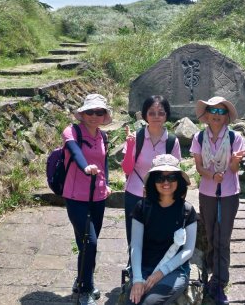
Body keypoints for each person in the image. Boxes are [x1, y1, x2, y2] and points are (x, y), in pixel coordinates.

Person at [189, 96, 245, 305]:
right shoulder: (199, 138)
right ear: (205, 115)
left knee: (222, 239)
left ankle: (220, 282)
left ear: (227, 117)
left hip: (229, 193)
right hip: (207, 192)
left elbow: (234, 170)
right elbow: (198, 167)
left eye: (221, 112)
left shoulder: (234, 138)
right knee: (210, 235)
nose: (216, 115)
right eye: (213, 110)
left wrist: (234, 162)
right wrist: (211, 176)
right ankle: (210, 273)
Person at [62, 93, 112, 305]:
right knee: (89, 243)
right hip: (75, 196)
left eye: (99, 112)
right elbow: (74, 152)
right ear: (82, 114)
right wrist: (85, 167)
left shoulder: (103, 137)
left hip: (98, 196)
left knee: (87, 244)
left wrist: (107, 183)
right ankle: (85, 289)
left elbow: (104, 162)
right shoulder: (71, 131)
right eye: (89, 111)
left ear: (104, 116)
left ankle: (82, 280)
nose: (94, 115)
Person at [127, 154, 197, 305]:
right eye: (160, 177)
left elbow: (188, 250)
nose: (166, 182)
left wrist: (161, 272)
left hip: (174, 271)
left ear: (179, 180)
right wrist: (137, 279)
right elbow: (136, 245)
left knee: (149, 303)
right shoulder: (142, 207)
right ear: (153, 181)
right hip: (145, 267)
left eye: (171, 177)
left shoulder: (187, 210)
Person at [121, 95, 181, 247]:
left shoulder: (172, 141)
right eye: (151, 112)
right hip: (135, 193)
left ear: (166, 115)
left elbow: (175, 172)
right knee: (134, 237)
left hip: (162, 194)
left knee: (156, 236)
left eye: (161, 113)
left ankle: (153, 269)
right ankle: (134, 268)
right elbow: (127, 169)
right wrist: (129, 147)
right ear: (145, 114)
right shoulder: (136, 137)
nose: (156, 116)